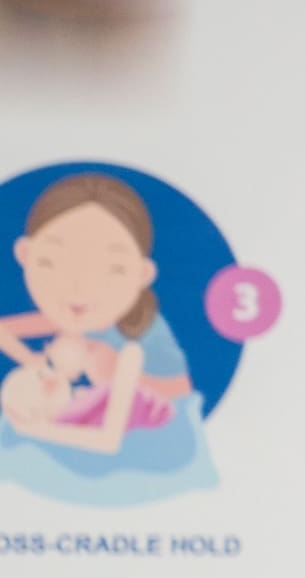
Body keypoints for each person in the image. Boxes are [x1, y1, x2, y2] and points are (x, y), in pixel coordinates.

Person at [0, 177, 200, 471]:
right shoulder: (76, 322)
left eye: (111, 270)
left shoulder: (131, 347)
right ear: (25, 255)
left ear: (142, 274)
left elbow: (109, 442)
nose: (78, 286)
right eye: (52, 263)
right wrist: (33, 361)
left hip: (159, 448)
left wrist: (34, 428)